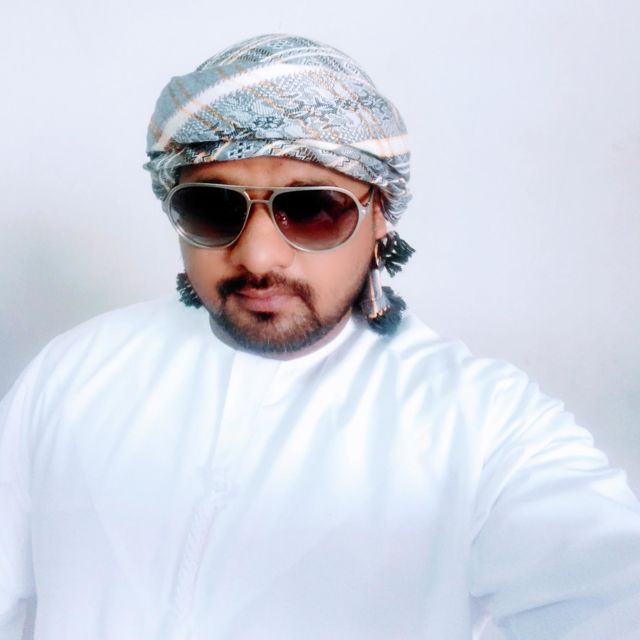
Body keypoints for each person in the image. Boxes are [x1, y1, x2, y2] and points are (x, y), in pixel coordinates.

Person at [1, 34, 639, 640]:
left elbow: (610, 592)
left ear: (379, 214)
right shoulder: (74, 375)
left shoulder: (480, 425)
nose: (258, 256)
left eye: (311, 209)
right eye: (213, 208)